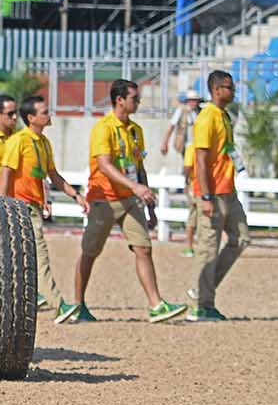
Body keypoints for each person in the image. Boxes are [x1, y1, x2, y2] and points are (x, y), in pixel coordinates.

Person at [62, 79, 186, 325]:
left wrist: (148, 203)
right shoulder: (103, 128)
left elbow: (139, 168)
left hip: (130, 199)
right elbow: (104, 165)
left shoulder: (136, 131)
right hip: (103, 200)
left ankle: (156, 305)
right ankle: (78, 304)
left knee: (143, 248)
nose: (138, 103)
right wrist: (135, 187)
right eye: (134, 99)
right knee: (90, 252)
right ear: (120, 100)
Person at [0, 95, 85, 321]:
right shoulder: (18, 141)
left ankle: (29, 297)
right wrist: (2, 206)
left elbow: (52, 176)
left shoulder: (44, 143)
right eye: (44, 112)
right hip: (20, 208)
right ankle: (59, 305)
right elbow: (5, 173)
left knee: (24, 258)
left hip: (33, 207)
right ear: (31, 118)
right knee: (41, 255)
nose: (49, 115)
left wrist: (76, 195)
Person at [188, 70, 248, 321]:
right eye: (228, 87)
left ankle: (203, 290)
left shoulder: (224, 116)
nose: (232, 91)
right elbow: (200, 160)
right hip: (212, 193)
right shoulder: (207, 118)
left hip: (229, 191)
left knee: (241, 238)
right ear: (215, 90)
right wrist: (205, 197)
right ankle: (201, 305)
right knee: (208, 249)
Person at [166, 86, 204, 253]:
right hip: (188, 148)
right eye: (191, 100)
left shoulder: (201, 113)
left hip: (198, 149)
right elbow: (171, 127)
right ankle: (187, 185)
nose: (193, 103)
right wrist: (165, 142)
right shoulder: (182, 112)